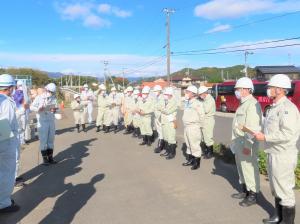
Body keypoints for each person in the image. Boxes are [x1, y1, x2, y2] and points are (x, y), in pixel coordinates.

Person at [254, 74, 299, 224]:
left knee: (284, 190)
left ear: (279, 89)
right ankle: (278, 216)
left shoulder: (288, 109)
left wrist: (265, 137)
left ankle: (287, 222)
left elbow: (287, 133)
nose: (268, 90)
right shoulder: (274, 107)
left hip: (283, 155)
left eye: (271, 87)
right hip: (273, 153)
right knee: (276, 187)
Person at [231, 77, 262, 207]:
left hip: (246, 143)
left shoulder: (252, 104)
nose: (236, 91)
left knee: (249, 168)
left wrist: (248, 145)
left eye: (238, 89)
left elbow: (253, 129)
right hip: (239, 141)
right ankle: (245, 190)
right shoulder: (243, 104)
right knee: (241, 167)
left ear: (246, 90)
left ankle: (253, 195)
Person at [0, 74, 20, 213]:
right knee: (7, 173)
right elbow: (4, 125)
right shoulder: (6, 102)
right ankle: (4, 203)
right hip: (5, 141)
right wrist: (10, 144)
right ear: (10, 87)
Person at [31, 83, 58, 165]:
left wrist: (55, 110)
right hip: (42, 121)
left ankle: (50, 158)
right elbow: (31, 107)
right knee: (43, 140)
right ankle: (45, 159)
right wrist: (39, 109)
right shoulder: (39, 97)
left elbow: (57, 107)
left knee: (51, 140)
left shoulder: (53, 98)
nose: (51, 93)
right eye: (50, 91)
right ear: (46, 90)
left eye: (53, 92)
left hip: (51, 120)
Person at [182, 85, 204, 170]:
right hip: (187, 127)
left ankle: (196, 162)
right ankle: (190, 160)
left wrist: (199, 127)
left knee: (194, 145)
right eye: (186, 91)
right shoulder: (187, 102)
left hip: (194, 127)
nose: (186, 93)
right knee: (188, 144)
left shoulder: (197, 103)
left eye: (188, 92)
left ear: (193, 94)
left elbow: (202, 116)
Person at [159, 87, 178, 159]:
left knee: (171, 138)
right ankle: (167, 151)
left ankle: (172, 153)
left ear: (170, 94)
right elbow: (158, 106)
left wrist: (161, 109)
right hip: (164, 121)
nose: (165, 95)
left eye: (166, 94)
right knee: (166, 137)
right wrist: (162, 109)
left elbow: (168, 111)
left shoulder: (173, 102)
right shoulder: (165, 101)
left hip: (170, 122)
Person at [198, 86, 216, 159]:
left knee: (208, 137)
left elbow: (205, 110)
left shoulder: (210, 100)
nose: (199, 96)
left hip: (208, 120)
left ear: (205, 93)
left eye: (200, 94)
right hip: (204, 120)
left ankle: (210, 153)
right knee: (204, 137)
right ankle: (206, 151)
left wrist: (199, 106)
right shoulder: (204, 99)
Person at [152, 85, 165, 153]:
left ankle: (160, 146)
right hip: (156, 117)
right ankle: (161, 144)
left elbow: (162, 109)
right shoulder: (156, 98)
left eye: (156, 91)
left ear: (160, 91)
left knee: (162, 132)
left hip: (161, 118)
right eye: (154, 91)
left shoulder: (162, 98)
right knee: (160, 131)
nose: (155, 92)